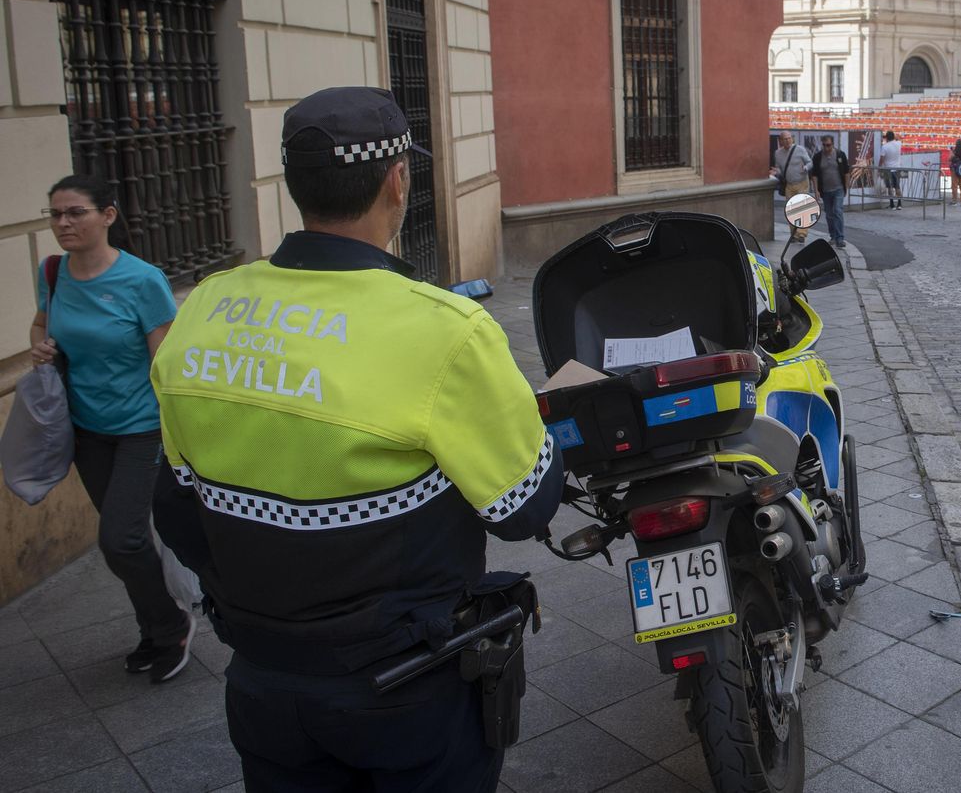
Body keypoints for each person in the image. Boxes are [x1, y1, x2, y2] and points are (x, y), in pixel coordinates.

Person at [150, 87, 564, 791]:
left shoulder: (205, 308)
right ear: (398, 179)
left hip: (263, 686)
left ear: (293, 182)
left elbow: (175, 509)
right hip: (410, 690)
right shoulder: (444, 329)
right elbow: (524, 510)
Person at [27, 175, 194, 684]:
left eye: (75, 212)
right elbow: (41, 324)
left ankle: (170, 626)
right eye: (56, 214)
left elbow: (164, 363)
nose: (63, 224)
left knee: (119, 541)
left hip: (140, 429)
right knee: (127, 541)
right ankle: (154, 627)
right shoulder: (53, 272)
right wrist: (39, 345)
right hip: (85, 430)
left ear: (108, 215)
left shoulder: (142, 280)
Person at [811, 134, 851, 248]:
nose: (826, 148)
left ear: (833, 144)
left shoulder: (840, 155)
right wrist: (816, 190)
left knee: (837, 211)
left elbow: (846, 172)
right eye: (824, 145)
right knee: (829, 214)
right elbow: (814, 175)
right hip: (825, 190)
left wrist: (846, 187)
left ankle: (840, 238)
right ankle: (833, 235)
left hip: (838, 188)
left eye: (828, 145)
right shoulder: (818, 157)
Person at [772, 131, 813, 241]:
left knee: (802, 207)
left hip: (802, 182)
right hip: (789, 184)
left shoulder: (800, 149)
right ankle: (793, 234)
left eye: (789, 138)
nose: (788, 141)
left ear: (792, 139)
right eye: (785, 139)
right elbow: (779, 168)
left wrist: (805, 168)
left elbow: (810, 163)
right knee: (791, 209)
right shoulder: (778, 153)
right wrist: (776, 172)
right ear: (780, 141)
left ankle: (801, 234)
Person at [878, 130, 903, 209]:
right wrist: (894, 136)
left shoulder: (885, 147)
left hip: (888, 169)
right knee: (897, 187)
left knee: (889, 187)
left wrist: (879, 168)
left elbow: (881, 159)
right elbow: (899, 137)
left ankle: (892, 204)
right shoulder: (898, 144)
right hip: (897, 168)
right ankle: (899, 204)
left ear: (886, 138)